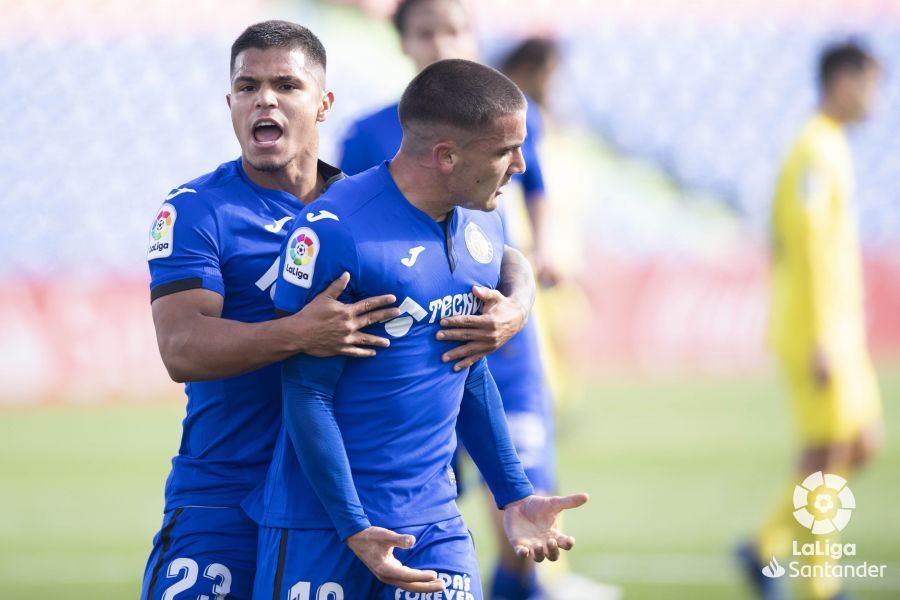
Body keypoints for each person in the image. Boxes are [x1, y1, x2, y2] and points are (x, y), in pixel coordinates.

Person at [141, 21, 537, 600]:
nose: (264, 100)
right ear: (230, 104)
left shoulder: (363, 209)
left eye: (285, 85)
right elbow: (181, 349)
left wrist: (519, 304)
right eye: (248, 87)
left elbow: (494, 256)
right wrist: (298, 333)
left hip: (339, 501)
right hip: (226, 490)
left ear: (324, 104)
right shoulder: (197, 210)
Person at [246, 58, 589, 599]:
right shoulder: (336, 232)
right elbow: (307, 393)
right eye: (505, 151)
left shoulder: (484, 225)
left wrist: (514, 495)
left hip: (434, 524)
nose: (520, 166)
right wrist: (354, 525)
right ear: (446, 156)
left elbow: (467, 369)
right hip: (322, 526)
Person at [339, 3, 561, 597]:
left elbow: (532, 200)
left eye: (455, 29)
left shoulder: (516, 118)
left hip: (502, 350)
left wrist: (526, 286)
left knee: (524, 523)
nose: (442, 42)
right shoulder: (367, 136)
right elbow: (348, 227)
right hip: (414, 355)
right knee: (425, 523)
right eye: (426, 31)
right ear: (403, 42)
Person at [738, 41, 883, 600]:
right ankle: (819, 585)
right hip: (818, 330)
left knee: (859, 442)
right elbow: (807, 244)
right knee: (828, 454)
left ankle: (765, 544)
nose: (875, 97)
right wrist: (823, 334)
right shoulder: (815, 149)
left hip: (838, 329)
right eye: (871, 83)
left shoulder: (829, 145)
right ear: (844, 81)